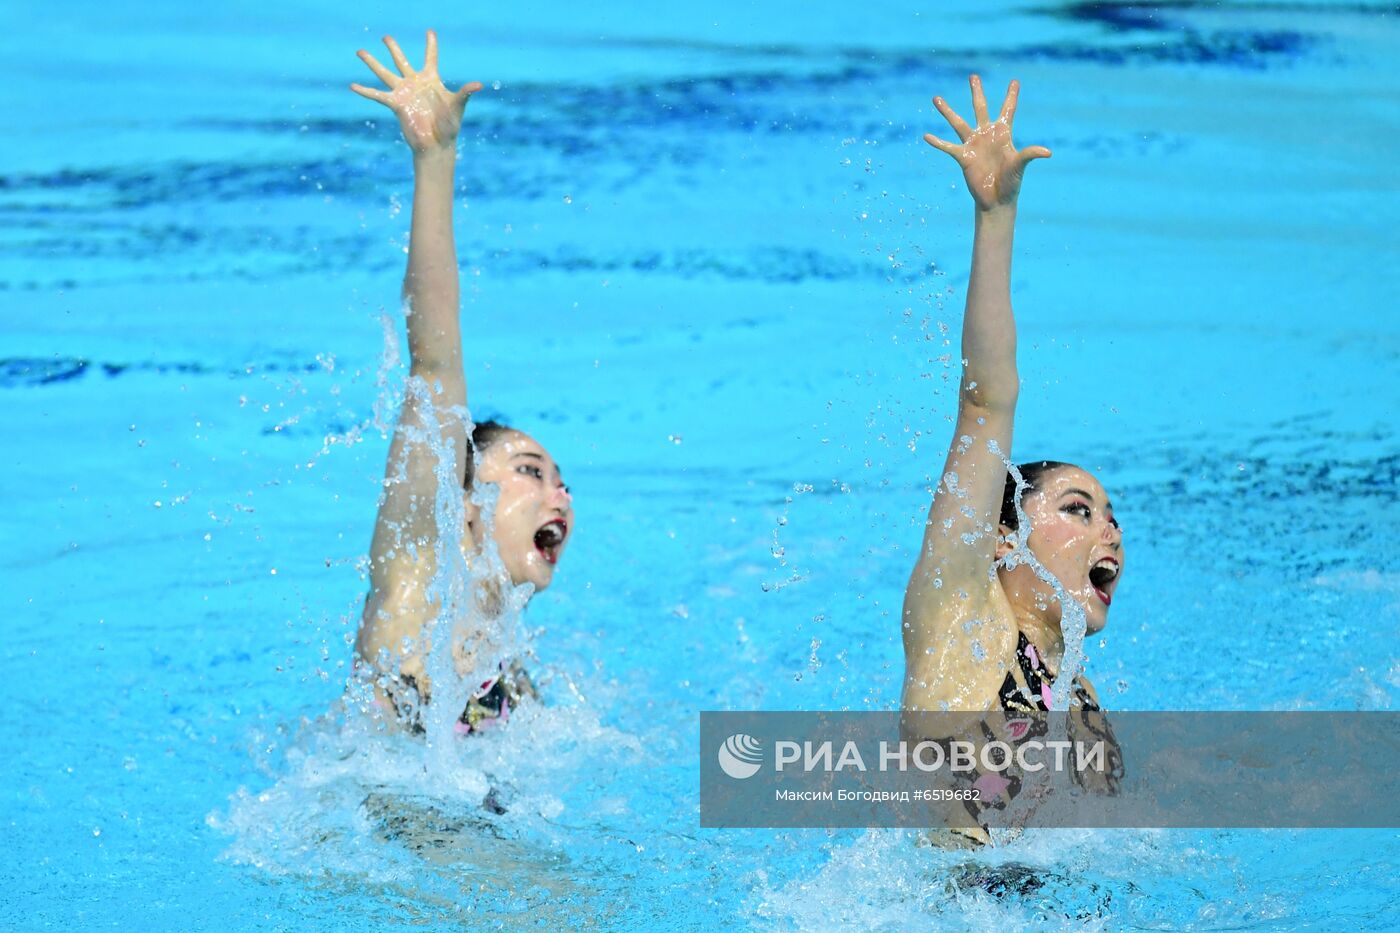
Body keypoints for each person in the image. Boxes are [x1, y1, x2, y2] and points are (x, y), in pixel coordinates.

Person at [348, 32, 573, 732]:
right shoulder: (416, 584)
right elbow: (435, 362)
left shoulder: (515, 683)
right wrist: (435, 160)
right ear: (468, 504)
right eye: (531, 471)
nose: (558, 494)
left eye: (562, 480)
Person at [902, 76, 1124, 725]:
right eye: (1077, 510)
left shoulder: (1080, 702)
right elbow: (985, 403)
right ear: (1005, 539)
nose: (1108, 531)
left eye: (1109, 516)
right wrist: (995, 218)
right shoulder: (962, 627)